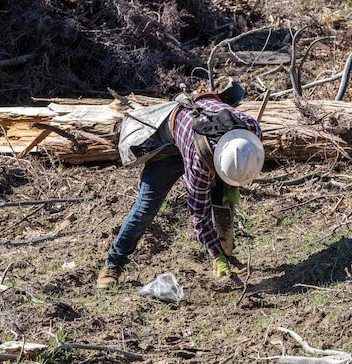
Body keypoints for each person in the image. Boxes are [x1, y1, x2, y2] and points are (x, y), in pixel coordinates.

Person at [96, 93, 264, 288]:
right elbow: (199, 215)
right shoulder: (199, 163)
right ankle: (113, 264)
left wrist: (232, 186)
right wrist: (215, 255)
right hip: (170, 146)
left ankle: (227, 255)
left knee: (221, 198)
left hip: (200, 137)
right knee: (146, 207)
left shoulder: (251, 130)